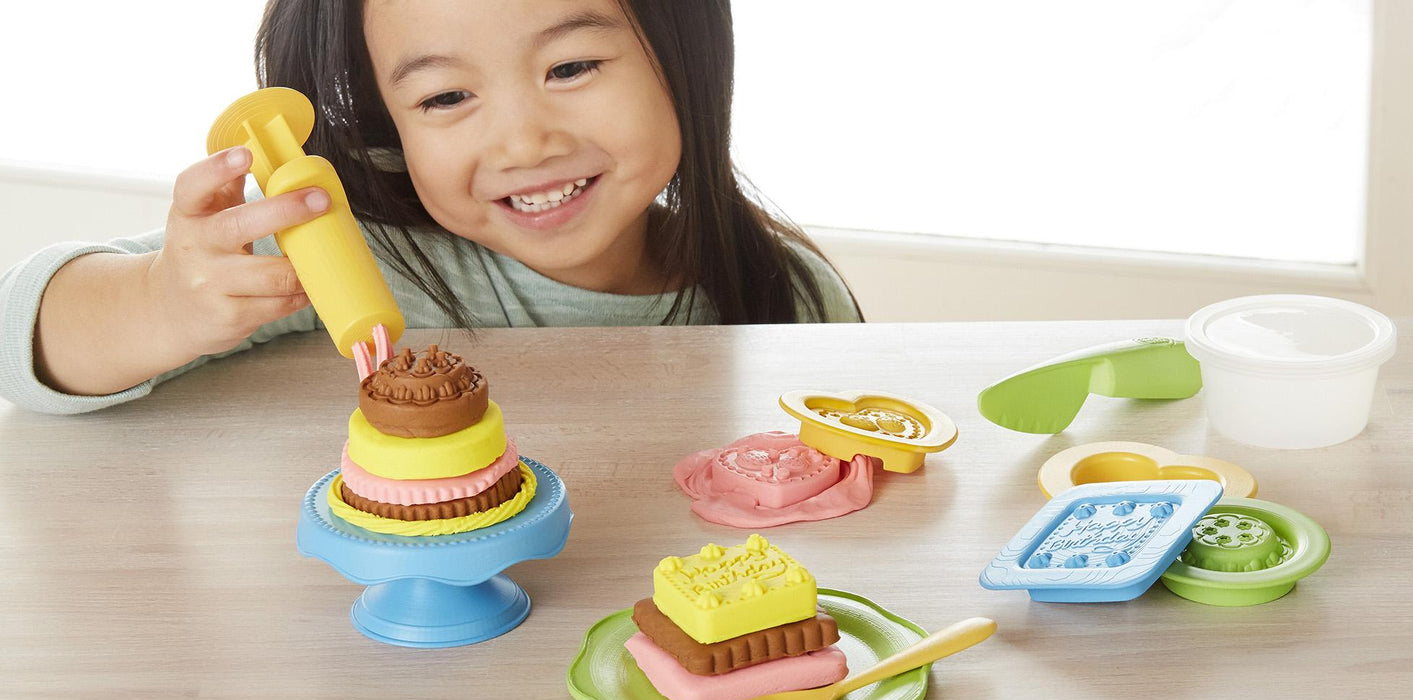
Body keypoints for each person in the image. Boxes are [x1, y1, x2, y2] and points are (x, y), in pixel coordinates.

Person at [0, 0, 862, 416]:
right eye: (446, 98)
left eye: (571, 68)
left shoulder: (788, 296)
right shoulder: (343, 250)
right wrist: (163, 301)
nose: (522, 143)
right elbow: (25, 337)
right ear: (389, 118)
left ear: (685, 55)